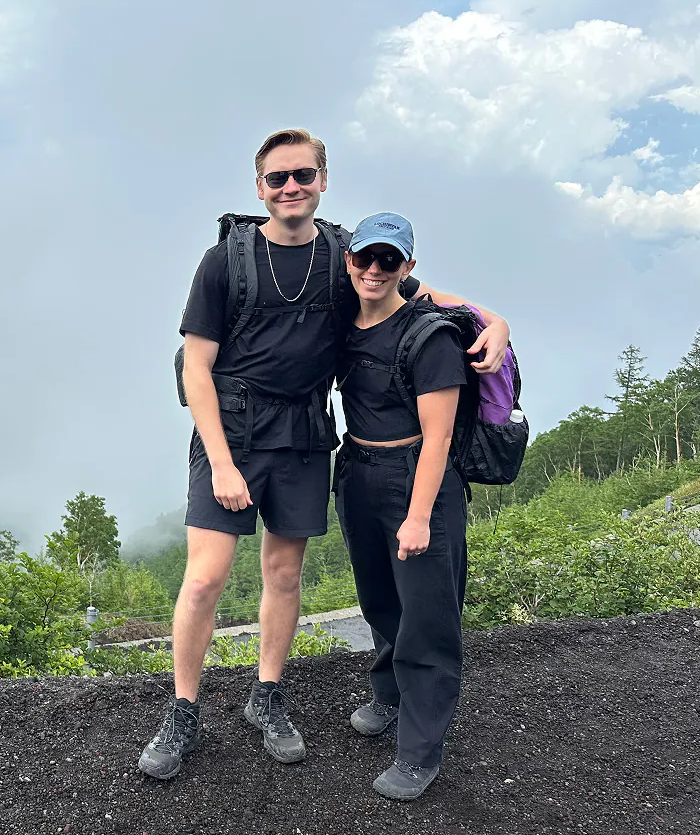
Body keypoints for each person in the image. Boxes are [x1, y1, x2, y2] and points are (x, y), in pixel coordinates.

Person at [138, 128, 509, 781]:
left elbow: (417, 293)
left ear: (323, 181)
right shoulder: (225, 260)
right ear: (259, 189)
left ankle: (268, 697)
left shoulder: (345, 251)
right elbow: (197, 367)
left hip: (306, 434)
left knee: (284, 575)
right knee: (204, 578)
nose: (291, 188)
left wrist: (492, 320)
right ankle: (184, 711)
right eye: (278, 178)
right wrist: (222, 463)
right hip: (232, 432)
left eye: (303, 176)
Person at [334, 211, 468, 801]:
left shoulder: (429, 335)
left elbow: (438, 437)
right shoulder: (345, 320)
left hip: (416, 478)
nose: (374, 269)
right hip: (357, 471)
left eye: (389, 260)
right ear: (350, 260)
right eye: (365, 257)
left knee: (427, 617)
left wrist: (418, 516)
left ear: (407, 267)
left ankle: (419, 753)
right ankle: (389, 698)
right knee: (379, 599)